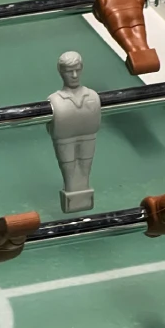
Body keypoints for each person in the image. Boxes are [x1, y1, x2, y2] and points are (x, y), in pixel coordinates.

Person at [47, 51, 102, 213]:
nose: (74, 75)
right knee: (69, 168)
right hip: (65, 138)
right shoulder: (55, 100)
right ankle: (74, 197)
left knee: (85, 166)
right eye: (69, 71)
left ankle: (81, 198)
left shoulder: (92, 95)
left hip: (87, 135)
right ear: (61, 72)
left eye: (77, 70)